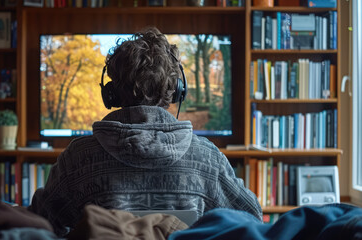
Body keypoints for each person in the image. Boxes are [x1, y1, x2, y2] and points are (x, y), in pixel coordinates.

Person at [29, 27, 262, 237]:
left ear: (111, 93)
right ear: (177, 91)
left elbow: (39, 225)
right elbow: (253, 220)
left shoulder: (78, 158)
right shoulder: (207, 159)